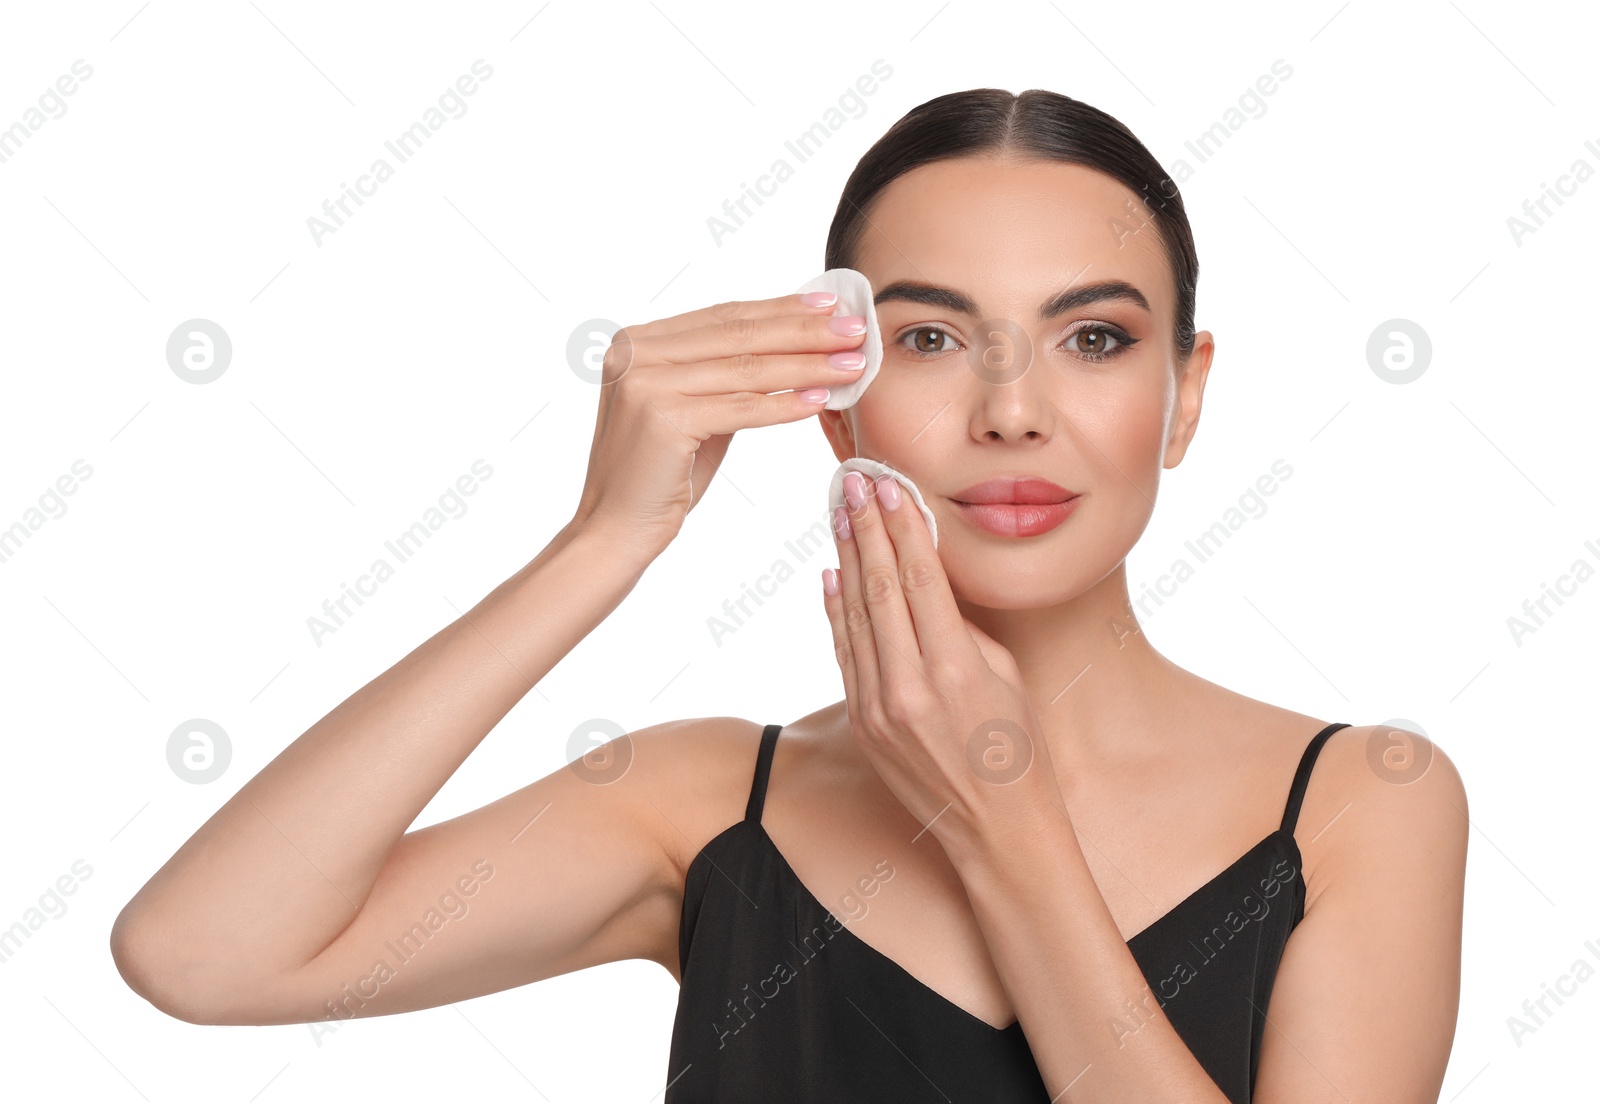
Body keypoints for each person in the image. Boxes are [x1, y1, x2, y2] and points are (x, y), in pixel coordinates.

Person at [110, 88, 1467, 1102]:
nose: (1012, 412)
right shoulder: (705, 804)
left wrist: (998, 823)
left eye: (1094, 338)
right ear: (837, 408)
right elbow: (204, 954)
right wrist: (602, 542)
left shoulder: (1363, 805)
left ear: (1187, 395)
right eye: (930, 338)